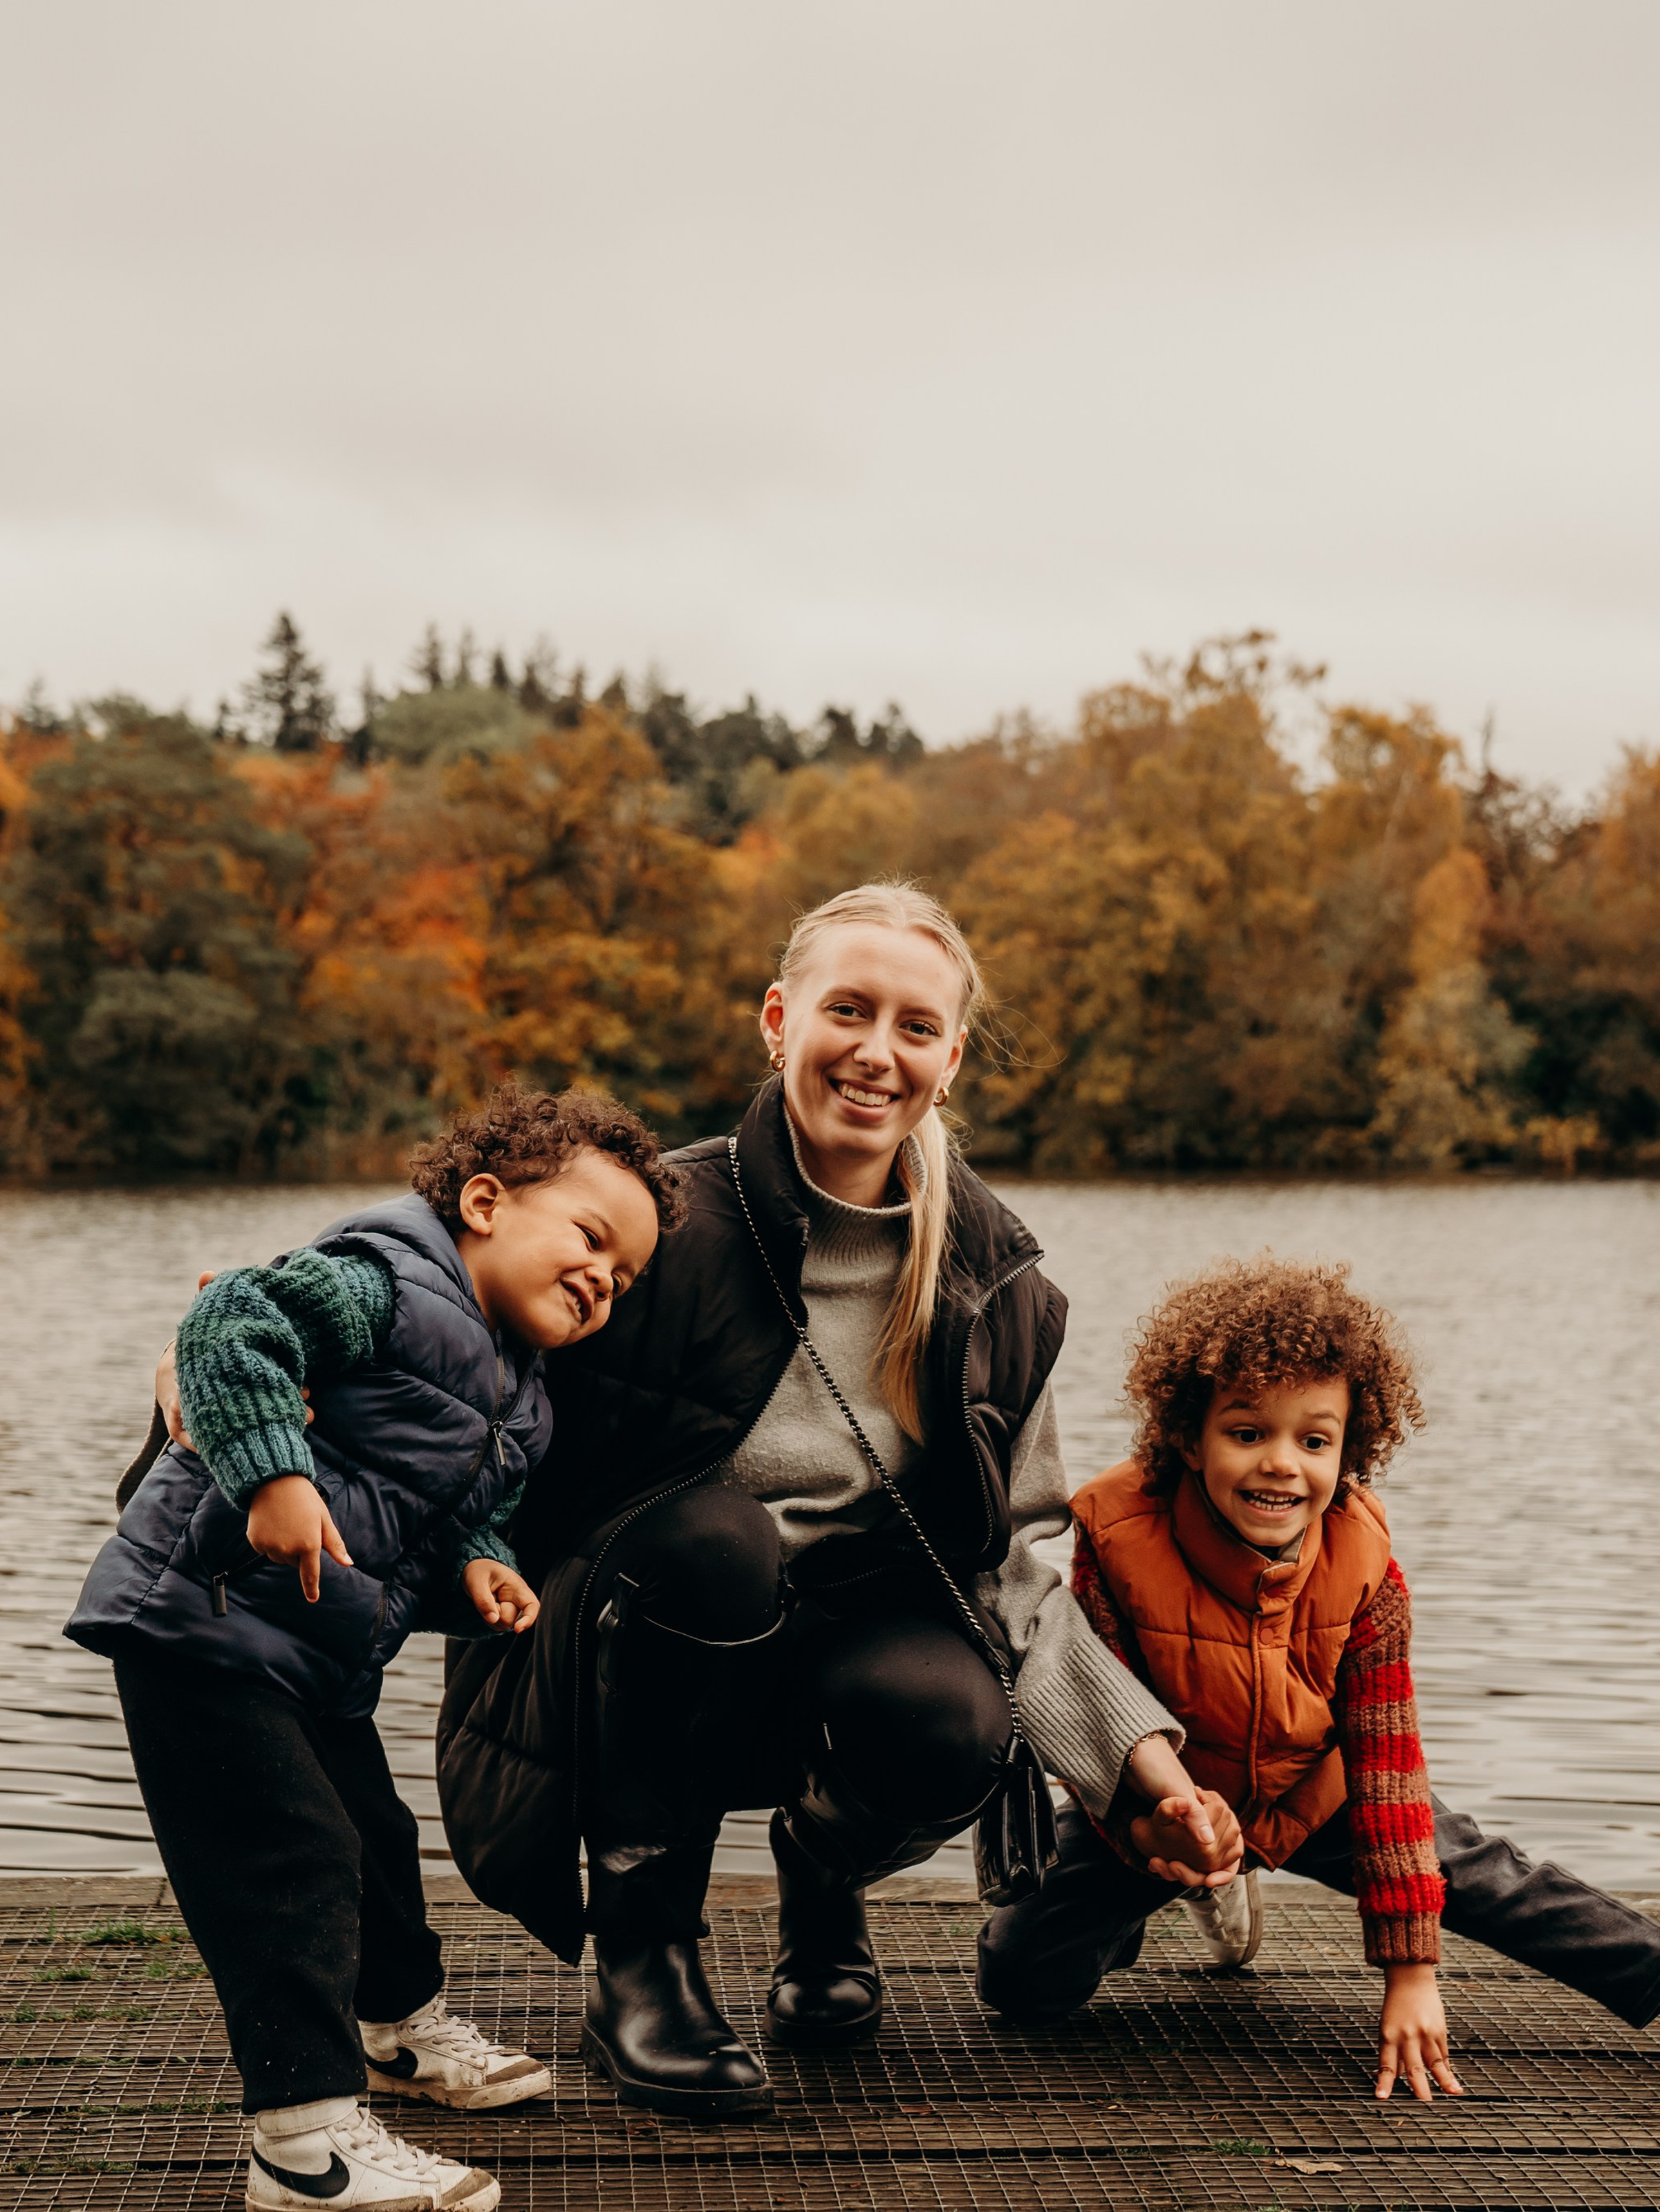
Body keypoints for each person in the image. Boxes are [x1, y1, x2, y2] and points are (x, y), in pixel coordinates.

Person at [433, 881, 1242, 2121]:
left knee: (947, 1711)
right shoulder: (657, 1218)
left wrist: (1145, 1767)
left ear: (951, 1056)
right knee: (716, 1538)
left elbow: (1023, 1564)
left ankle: (825, 1872)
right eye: (847, 1011)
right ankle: (644, 1956)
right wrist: (238, 1345)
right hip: (622, 1655)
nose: (877, 1053)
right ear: (778, 1020)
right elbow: (432, 1295)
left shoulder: (997, 1286)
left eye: (916, 1027)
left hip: (826, 1660)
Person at [68, 1087, 682, 2212]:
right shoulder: (387, 1281)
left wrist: (477, 1566)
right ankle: (305, 2150)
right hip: (200, 1620)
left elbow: (438, 1511)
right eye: (592, 1240)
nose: (604, 1278)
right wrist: (275, 1474)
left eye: (625, 1277)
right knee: (289, 1864)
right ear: (486, 1202)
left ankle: (396, 2028)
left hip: (312, 1656)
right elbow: (231, 1322)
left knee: (373, 1843)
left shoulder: (523, 1395)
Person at [976, 1255, 1660, 2099]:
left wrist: (1411, 1973)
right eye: (1247, 1431)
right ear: (1189, 1436)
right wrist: (1147, 1832)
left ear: (1350, 1449)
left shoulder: (1365, 1562)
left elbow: (1390, 1767)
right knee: (1017, 1979)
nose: (1281, 1464)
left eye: (1313, 1439)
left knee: (1490, 1876)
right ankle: (1181, 1895)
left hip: (1322, 1788)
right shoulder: (1116, 1541)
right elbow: (1089, 1713)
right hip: (1173, 1797)